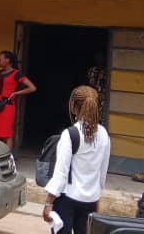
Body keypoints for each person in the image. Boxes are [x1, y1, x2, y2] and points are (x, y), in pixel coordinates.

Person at [43, 86, 111, 234]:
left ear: (74, 107)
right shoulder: (104, 134)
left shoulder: (70, 134)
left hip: (67, 199)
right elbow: (102, 173)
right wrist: (97, 197)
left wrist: (48, 202)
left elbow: (61, 173)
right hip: (90, 201)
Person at [0, 50, 37, 149]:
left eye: (0, 59)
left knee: (7, 134)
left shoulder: (16, 74)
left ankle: (8, 159)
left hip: (7, 106)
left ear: (7, 60)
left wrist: (16, 93)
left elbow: (32, 88)